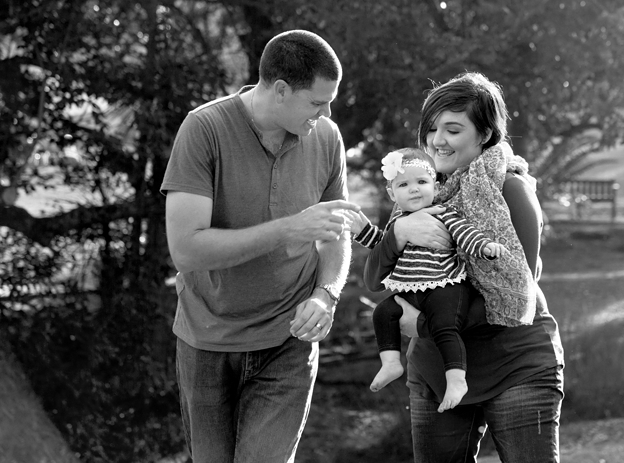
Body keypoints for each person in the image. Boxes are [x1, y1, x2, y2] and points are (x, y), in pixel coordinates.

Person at [160, 29, 360, 463]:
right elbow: (187, 250)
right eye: (317, 101)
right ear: (281, 90)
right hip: (208, 341)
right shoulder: (204, 129)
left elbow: (334, 232)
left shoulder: (325, 137)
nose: (327, 112)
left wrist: (327, 295)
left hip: (288, 340)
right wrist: (289, 229)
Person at [363, 72, 565, 462]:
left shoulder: (511, 190)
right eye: (431, 128)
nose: (438, 140)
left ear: (485, 134)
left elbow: (515, 294)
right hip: (436, 372)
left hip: (514, 365)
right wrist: (399, 233)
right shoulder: (417, 193)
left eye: (453, 129)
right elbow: (375, 280)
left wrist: (420, 324)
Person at [351, 147, 507, 412]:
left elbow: (464, 233)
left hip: (446, 286)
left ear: (434, 187)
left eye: (421, 182)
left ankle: (456, 379)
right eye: (404, 184)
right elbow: (381, 243)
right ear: (392, 194)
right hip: (412, 288)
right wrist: (362, 230)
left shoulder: (441, 213)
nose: (414, 189)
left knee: (445, 326)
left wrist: (484, 247)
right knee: (383, 312)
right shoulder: (396, 222)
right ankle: (390, 363)